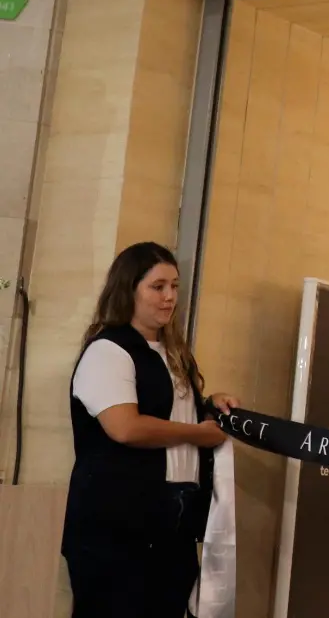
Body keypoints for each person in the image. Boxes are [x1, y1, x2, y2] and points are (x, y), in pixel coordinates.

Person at [62, 242, 240, 618]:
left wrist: (209, 405)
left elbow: (170, 411)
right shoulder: (109, 351)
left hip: (170, 523)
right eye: (157, 287)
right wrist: (198, 433)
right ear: (129, 289)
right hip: (116, 528)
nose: (169, 297)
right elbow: (126, 427)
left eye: (174, 286)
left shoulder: (173, 351)